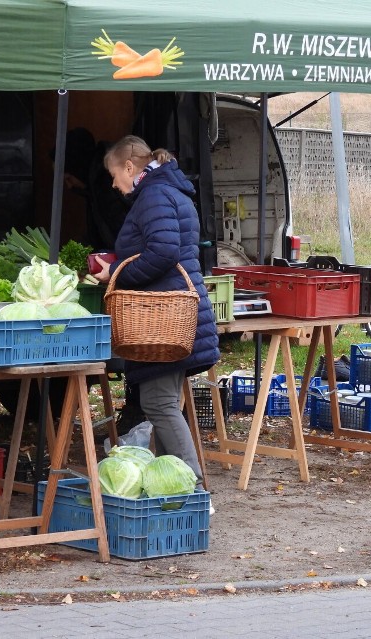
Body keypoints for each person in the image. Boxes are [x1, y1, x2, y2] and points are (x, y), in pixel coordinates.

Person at [92, 135, 220, 494]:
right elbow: (164, 249)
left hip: (164, 312)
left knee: (158, 401)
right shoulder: (167, 190)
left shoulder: (154, 195)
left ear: (130, 167)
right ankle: (173, 486)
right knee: (163, 400)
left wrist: (116, 274)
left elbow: (163, 253)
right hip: (174, 310)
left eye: (115, 175)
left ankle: (192, 489)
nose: (115, 184)